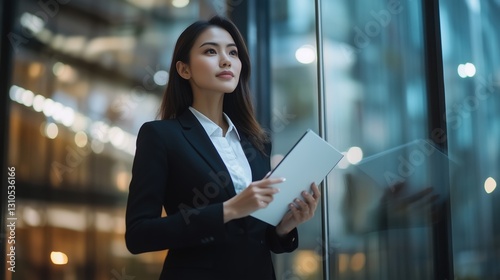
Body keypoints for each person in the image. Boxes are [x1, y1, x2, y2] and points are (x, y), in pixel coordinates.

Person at [125, 15, 320, 280]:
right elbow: (139, 235)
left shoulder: (257, 142)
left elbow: (257, 237)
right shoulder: (161, 136)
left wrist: (284, 227)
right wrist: (229, 209)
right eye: (210, 51)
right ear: (184, 70)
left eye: (233, 52)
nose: (226, 60)